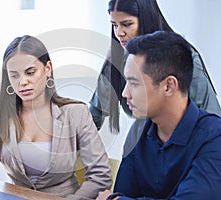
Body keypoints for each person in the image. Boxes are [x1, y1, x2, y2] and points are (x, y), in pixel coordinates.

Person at [0, 35, 112, 200]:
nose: (23, 82)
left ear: (48, 68)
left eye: (30, 73)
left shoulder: (75, 113)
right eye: (14, 76)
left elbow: (100, 176)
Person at [96, 31, 221, 200]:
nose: (125, 94)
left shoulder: (214, 137)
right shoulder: (138, 131)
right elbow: (124, 193)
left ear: (169, 86)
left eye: (133, 83)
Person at [89, 0, 221, 133]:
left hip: (190, 144)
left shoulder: (182, 57)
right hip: (149, 144)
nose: (119, 33)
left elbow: (212, 118)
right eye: (114, 25)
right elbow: (95, 113)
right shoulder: (117, 57)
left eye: (126, 24)